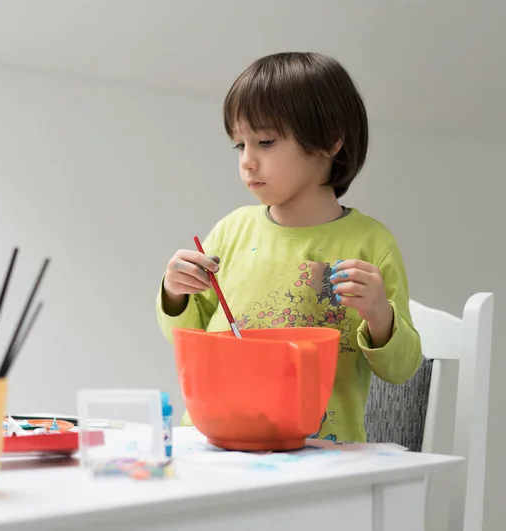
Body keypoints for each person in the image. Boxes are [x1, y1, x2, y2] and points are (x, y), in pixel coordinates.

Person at [155, 51, 422, 442]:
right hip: (213, 444)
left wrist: (381, 315)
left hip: (317, 455)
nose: (247, 161)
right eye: (239, 146)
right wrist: (174, 293)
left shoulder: (370, 243)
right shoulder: (231, 231)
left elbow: (401, 368)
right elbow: (187, 335)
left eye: (264, 141)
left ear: (331, 139)